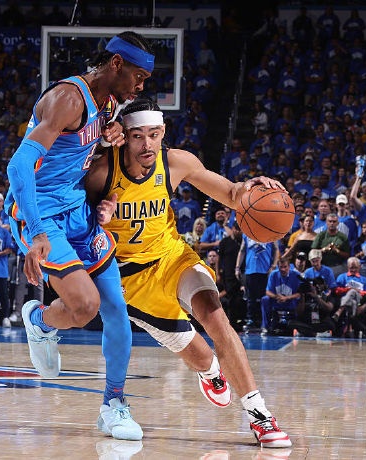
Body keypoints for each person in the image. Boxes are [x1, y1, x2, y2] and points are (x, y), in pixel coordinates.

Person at [85, 97, 291, 448]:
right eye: (138, 136)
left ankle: (260, 416)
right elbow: (75, 223)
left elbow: (231, 193)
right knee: (201, 356)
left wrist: (251, 189)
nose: (147, 144)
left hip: (173, 257)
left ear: (163, 132)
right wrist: (98, 218)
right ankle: (209, 371)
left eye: (154, 135)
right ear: (124, 136)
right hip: (131, 279)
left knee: (216, 318)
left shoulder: (176, 162)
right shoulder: (101, 172)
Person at [5, 31, 154, 441]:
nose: (141, 87)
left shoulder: (108, 104)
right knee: (85, 306)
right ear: (116, 64)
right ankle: (39, 320)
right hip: (40, 213)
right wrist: (37, 232)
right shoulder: (68, 99)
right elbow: (18, 167)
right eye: (139, 77)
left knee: (116, 309)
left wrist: (108, 143)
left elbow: (81, 157)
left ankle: (114, 404)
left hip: (77, 211)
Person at [237, 236, 278, 333]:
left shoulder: (270, 232)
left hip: (265, 270)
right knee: (250, 298)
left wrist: (273, 265)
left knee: (263, 298)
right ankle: (251, 320)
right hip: (250, 270)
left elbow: (276, 249)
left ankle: (263, 320)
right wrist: (237, 267)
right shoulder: (246, 233)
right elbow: (242, 250)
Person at [260, 257, 301, 336]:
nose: (283, 269)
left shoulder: (296, 275)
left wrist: (287, 298)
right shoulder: (273, 274)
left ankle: (298, 326)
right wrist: (276, 297)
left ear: (289, 266)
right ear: (278, 267)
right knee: (265, 299)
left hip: (290, 301)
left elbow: (299, 293)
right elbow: (267, 292)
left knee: (300, 300)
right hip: (277, 300)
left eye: (285, 267)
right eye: (281, 267)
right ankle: (265, 327)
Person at [310, 213, 351, 277]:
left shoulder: (343, 237)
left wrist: (337, 251)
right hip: (322, 266)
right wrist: (324, 249)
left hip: (338, 266)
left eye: (334, 222)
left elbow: (347, 255)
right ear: (326, 222)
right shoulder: (321, 235)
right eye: (330, 221)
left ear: (337, 223)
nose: (332, 223)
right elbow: (313, 252)